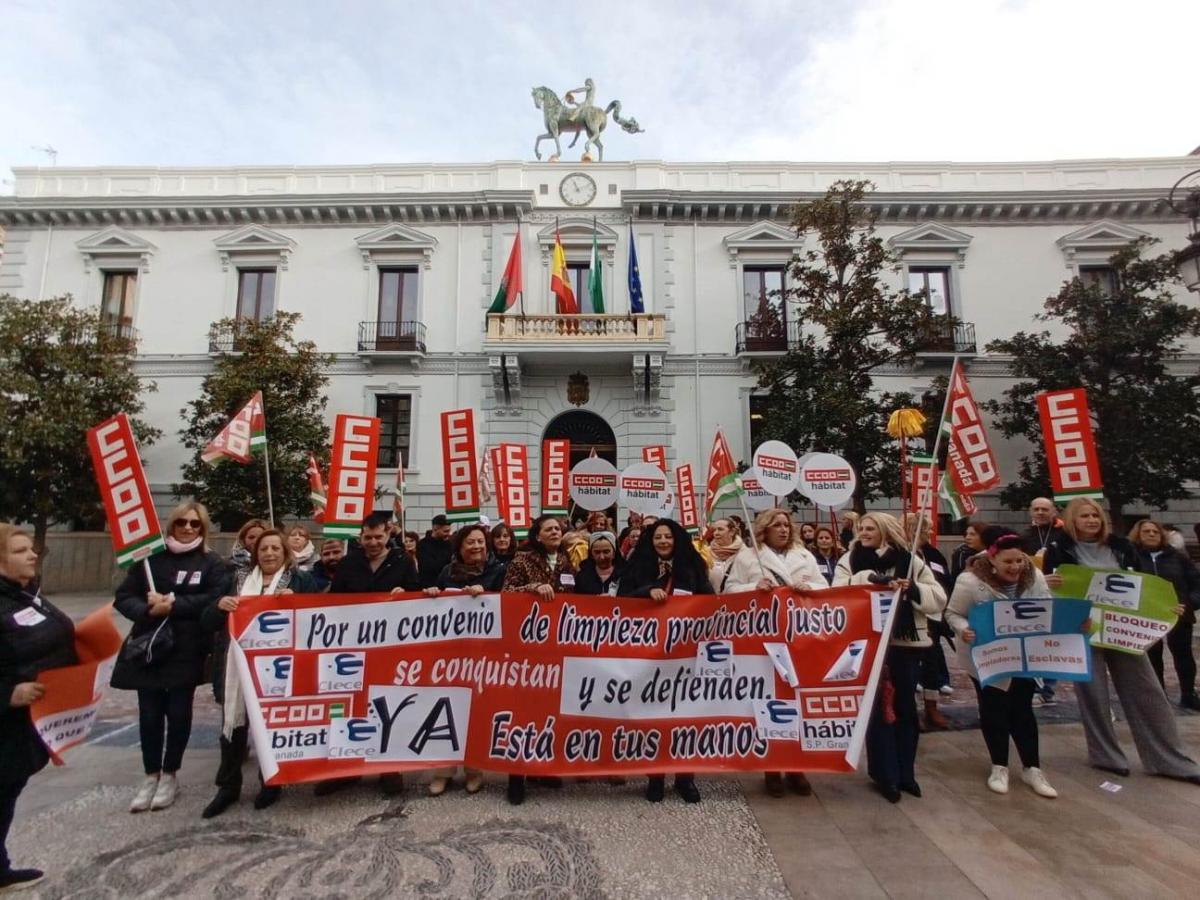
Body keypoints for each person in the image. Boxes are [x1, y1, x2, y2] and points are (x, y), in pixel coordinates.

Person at [1044, 498, 1200, 784]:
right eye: (1085, 515)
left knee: (1147, 690)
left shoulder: (1121, 546)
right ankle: (1105, 755)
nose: (1092, 520)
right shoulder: (1058, 547)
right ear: (1072, 519)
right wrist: (1046, 583)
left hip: (1122, 627)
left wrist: (1165, 607)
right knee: (1093, 694)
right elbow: (1052, 587)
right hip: (1084, 627)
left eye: (1096, 515)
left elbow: (1141, 585)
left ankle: (1169, 758)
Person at [111, 501, 229, 812]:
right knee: (149, 714)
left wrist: (173, 604)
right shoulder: (150, 560)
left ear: (203, 530)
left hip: (186, 649)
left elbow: (215, 599)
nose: (188, 528)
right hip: (150, 648)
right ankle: (151, 774)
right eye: (182, 522)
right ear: (171, 525)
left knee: (178, 713)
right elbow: (123, 597)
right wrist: (149, 609)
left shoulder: (211, 562)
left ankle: (170, 773)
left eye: (195, 524)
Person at [201, 529, 318, 817]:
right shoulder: (236, 581)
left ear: (284, 553)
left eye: (275, 549)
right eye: (264, 549)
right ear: (256, 554)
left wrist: (298, 601)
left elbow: (318, 617)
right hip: (237, 670)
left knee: (272, 726)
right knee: (233, 727)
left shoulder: (299, 580)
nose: (269, 554)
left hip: (278, 670)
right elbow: (206, 620)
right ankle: (228, 787)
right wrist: (219, 606)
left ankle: (271, 783)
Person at [834, 512, 946, 803]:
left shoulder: (910, 560)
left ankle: (906, 773)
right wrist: (868, 579)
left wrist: (914, 590)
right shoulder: (851, 559)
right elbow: (836, 591)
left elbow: (938, 597)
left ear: (885, 531)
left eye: (871, 528)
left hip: (904, 643)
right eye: (862, 528)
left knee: (906, 708)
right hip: (869, 642)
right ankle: (885, 775)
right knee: (879, 709)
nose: (865, 532)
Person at [945, 528, 1060, 798]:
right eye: (1008, 562)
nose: (1016, 566)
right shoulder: (970, 581)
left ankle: (1032, 767)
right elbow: (953, 612)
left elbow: (1047, 607)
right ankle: (999, 765)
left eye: (1019, 560)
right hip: (986, 656)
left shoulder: (1035, 577)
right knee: (994, 708)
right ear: (993, 561)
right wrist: (964, 629)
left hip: (1024, 654)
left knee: (1022, 709)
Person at [723, 509, 825, 798]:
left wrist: (811, 588)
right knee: (769, 702)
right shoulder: (747, 557)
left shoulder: (805, 556)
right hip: (763, 641)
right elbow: (729, 591)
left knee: (797, 701)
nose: (783, 529)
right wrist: (753, 588)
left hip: (800, 639)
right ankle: (772, 768)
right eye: (776, 525)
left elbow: (826, 587)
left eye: (786, 524)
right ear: (764, 530)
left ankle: (797, 767)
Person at [319, 512, 420, 797]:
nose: (373, 542)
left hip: (390, 648)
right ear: (360, 537)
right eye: (368, 537)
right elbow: (335, 599)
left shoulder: (403, 561)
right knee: (351, 706)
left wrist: (407, 594)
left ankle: (390, 769)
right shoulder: (350, 562)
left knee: (387, 705)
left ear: (388, 535)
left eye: (379, 537)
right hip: (352, 647)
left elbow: (417, 594)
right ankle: (346, 769)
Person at [0, 524, 77, 891]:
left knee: (6, 792)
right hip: (7, 715)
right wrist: (7, 693)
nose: (32, 554)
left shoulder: (24, 593)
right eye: (19, 551)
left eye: (29, 548)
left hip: (22, 723)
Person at [620, 519, 712, 803]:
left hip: (686, 653)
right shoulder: (638, 566)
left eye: (667, 537)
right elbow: (621, 600)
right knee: (654, 717)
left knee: (686, 717)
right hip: (650, 655)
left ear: (677, 540)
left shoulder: (693, 566)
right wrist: (646, 591)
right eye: (657, 537)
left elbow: (710, 600)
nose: (662, 542)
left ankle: (685, 777)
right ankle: (655, 776)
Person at [421, 524, 505, 797]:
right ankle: (442, 771)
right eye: (471, 542)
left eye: (481, 542)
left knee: (476, 712)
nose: (477, 547)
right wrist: (433, 594)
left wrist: (489, 595)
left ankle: (474, 770)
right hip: (451, 653)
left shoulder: (498, 571)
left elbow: (510, 605)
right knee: (446, 709)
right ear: (460, 547)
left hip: (484, 654)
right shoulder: (448, 572)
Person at [502, 513, 577, 805]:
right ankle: (516, 775)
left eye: (558, 528)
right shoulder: (521, 560)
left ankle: (542, 767)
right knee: (524, 710)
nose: (556, 532)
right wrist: (531, 589)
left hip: (558, 646)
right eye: (549, 529)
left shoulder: (568, 560)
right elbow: (506, 593)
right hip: (528, 647)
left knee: (551, 711)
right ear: (538, 535)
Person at [1128, 519, 1200, 710]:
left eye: (1155, 532)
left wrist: (1188, 604)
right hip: (1146, 616)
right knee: (1152, 656)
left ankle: (1188, 693)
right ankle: (1157, 695)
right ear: (1138, 535)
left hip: (1178, 614)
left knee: (1183, 654)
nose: (1151, 534)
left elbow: (1196, 584)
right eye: (1146, 532)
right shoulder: (1131, 557)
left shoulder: (1178, 557)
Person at [904, 513, 954, 731]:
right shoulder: (904, 553)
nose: (931, 532)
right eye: (926, 529)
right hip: (911, 617)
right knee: (911, 667)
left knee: (932, 665)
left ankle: (932, 707)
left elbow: (945, 580)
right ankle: (912, 711)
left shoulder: (933, 553)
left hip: (935, 616)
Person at [706, 517, 745, 592]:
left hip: (737, 601)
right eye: (714, 530)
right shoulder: (705, 553)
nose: (716, 533)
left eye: (720, 529)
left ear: (732, 532)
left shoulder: (745, 553)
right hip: (712, 602)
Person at [1019, 497, 1062, 562]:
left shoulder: (1064, 532)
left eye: (1045, 509)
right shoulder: (1024, 535)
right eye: (1036, 509)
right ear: (1031, 512)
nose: (1040, 512)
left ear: (1054, 511)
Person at [416, 515, 454, 589]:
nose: (449, 534)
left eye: (449, 530)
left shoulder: (449, 544)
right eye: (446, 531)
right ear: (435, 529)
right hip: (429, 587)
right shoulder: (423, 545)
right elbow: (429, 567)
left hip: (446, 585)